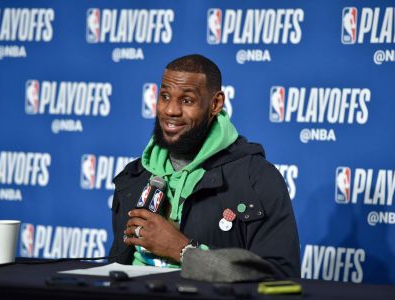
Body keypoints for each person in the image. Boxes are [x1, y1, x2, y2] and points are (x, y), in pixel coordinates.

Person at [109, 54, 300, 277]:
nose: (171, 110)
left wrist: (182, 250)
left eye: (187, 100)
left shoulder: (256, 179)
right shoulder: (133, 178)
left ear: (215, 104)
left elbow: (280, 275)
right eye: (165, 96)